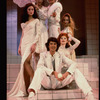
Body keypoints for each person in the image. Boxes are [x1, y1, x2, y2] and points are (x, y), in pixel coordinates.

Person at [28, 37, 95, 100]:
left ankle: (89, 93)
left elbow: (74, 64)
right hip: (47, 82)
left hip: (59, 82)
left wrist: (66, 74)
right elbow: (39, 66)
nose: (53, 45)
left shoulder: (60, 54)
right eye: (51, 44)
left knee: (75, 70)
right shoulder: (43, 55)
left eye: (55, 44)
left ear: (57, 46)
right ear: (48, 45)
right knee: (39, 70)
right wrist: (53, 72)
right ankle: (32, 93)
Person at [7, 3, 41, 97]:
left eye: (32, 9)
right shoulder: (24, 23)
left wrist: (34, 43)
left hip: (31, 43)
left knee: (26, 62)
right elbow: (22, 36)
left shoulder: (36, 21)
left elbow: (38, 34)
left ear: (34, 11)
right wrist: (19, 46)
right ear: (26, 11)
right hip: (24, 44)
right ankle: (27, 90)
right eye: (29, 9)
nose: (31, 11)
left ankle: (36, 82)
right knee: (24, 67)